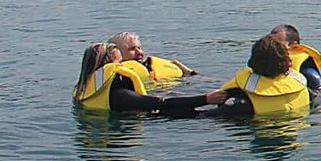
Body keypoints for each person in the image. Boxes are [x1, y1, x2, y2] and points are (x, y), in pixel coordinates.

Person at [73, 42, 228, 114]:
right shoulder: (120, 95)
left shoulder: (83, 91)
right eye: (119, 62)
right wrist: (206, 99)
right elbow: (161, 104)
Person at [220, 34, 312, 118]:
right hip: (294, 131)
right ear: (286, 61)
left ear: (253, 61)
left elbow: (207, 117)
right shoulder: (303, 88)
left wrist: (206, 100)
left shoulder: (242, 103)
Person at [108, 31, 198, 82]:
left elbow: (203, 80)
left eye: (139, 48)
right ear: (116, 53)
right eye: (132, 49)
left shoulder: (150, 66)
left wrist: (188, 72)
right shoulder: (113, 76)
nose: (139, 52)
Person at [269, 23, 321, 93]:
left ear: (293, 45)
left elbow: (317, 89)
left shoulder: (305, 67)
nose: (271, 46)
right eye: (270, 42)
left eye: (277, 44)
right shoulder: (261, 58)